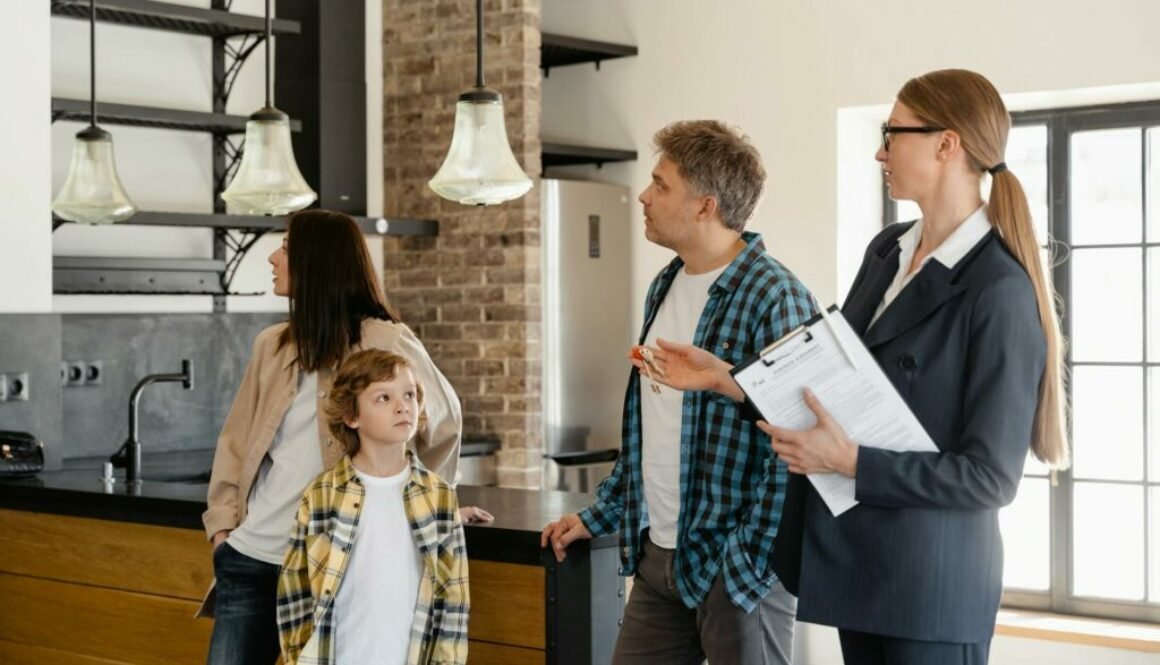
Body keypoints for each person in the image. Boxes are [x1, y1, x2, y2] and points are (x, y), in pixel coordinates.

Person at [641, 69, 1068, 665]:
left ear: (947, 145)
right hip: (860, 570)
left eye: (893, 133)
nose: (879, 150)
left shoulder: (998, 289)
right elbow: (833, 379)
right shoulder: (889, 249)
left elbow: (989, 478)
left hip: (930, 593)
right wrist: (728, 379)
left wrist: (850, 463)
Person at [541, 120, 815, 665]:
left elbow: (798, 447)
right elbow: (650, 428)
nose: (643, 196)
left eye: (660, 184)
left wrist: (746, 561)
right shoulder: (665, 284)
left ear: (704, 206)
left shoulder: (775, 295)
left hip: (734, 572)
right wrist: (600, 514)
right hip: (658, 560)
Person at [200, 210, 487, 665]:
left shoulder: (386, 341)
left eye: (287, 249)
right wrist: (222, 530)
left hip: (335, 562)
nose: (274, 258)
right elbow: (235, 444)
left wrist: (426, 502)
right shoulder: (271, 345)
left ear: (318, 263)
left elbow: (442, 424)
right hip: (252, 558)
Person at [278, 349, 469, 665]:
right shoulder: (323, 495)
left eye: (409, 395)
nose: (402, 406)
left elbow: (454, 603)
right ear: (352, 417)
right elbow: (294, 590)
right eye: (383, 398)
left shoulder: (440, 498)